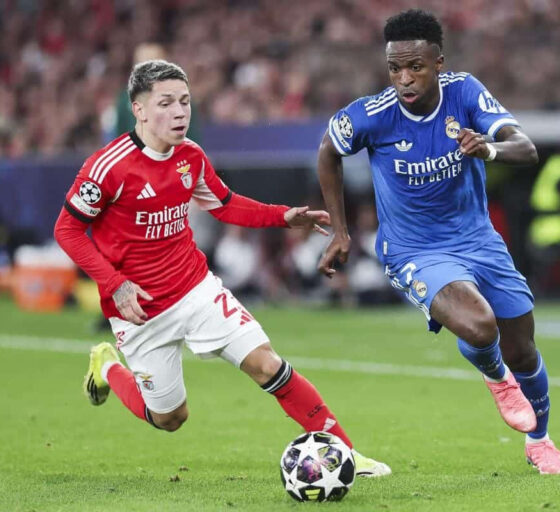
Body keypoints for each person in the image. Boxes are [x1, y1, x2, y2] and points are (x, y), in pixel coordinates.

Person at [53, 60, 390, 477]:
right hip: (138, 309)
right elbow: (67, 229)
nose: (180, 112)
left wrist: (283, 216)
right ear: (138, 110)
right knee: (170, 418)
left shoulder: (190, 156)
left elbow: (225, 204)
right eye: (166, 103)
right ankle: (107, 365)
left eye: (185, 102)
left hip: (195, 289)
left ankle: (346, 454)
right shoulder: (108, 167)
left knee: (266, 363)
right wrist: (115, 283)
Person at [316, 9, 560, 475]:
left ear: (438, 63)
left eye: (415, 67)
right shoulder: (373, 115)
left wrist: (488, 148)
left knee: (523, 349)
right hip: (414, 250)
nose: (404, 79)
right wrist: (340, 230)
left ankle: (540, 441)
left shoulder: (464, 92)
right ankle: (497, 378)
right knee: (480, 326)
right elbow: (328, 151)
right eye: (395, 68)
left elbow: (526, 148)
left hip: (478, 239)